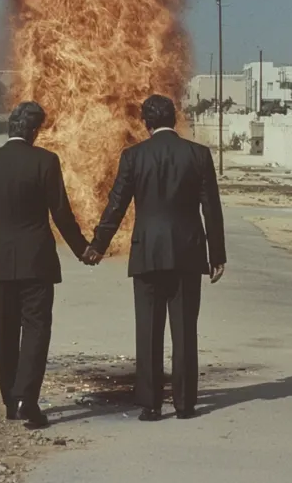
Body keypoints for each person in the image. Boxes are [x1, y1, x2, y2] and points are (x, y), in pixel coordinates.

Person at [84, 95, 226, 422]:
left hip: (147, 251)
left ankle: (150, 404)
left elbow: (116, 205)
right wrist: (216, 254)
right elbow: (212, 210)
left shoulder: (134, 156)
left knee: (148, 330)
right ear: (173, 120)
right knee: (185, 330)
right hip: (188, 253)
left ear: (145, 123)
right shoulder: (199, 155)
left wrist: (98, 244)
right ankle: (185, 404)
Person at [0, 101, 89, 428]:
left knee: (5, 331)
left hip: (1, 261)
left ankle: (9, 401)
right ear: (33, 131)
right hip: (37, 261)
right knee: (36, 330)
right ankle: (27, 401)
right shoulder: (45, 161)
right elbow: (60, 213)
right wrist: (83, 249)